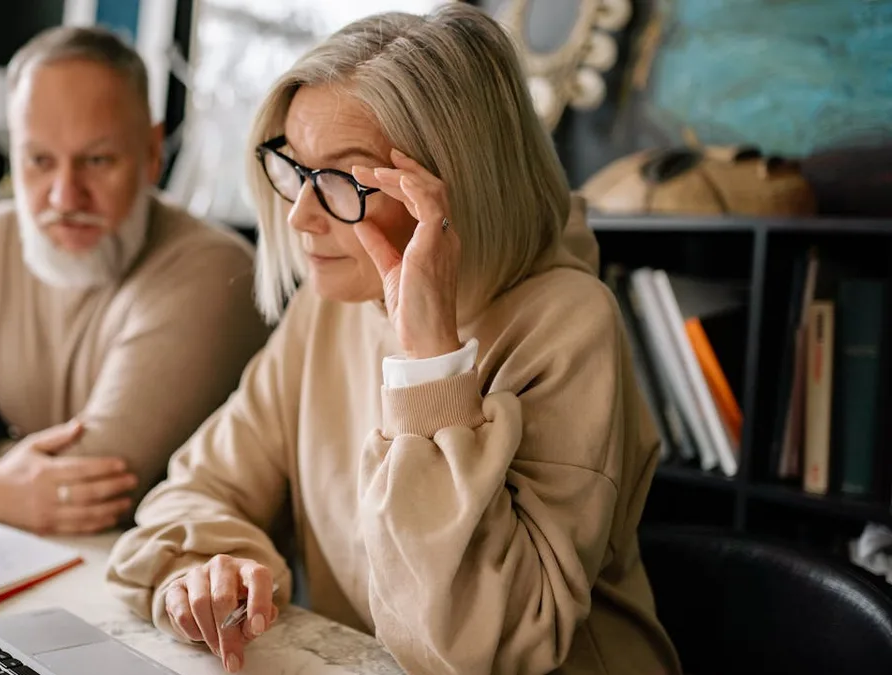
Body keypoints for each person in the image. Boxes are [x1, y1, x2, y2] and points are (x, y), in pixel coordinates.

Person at [104, 5, 683, 675]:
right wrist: (211, 567)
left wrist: (431, 361)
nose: (300, 214)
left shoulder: (570, 324)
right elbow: (194, 492)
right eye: (294, 167)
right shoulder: (330, 311)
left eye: (345, 179)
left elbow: (483, 646)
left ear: (457, 189)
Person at [0, 26, 270, 537]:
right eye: (39, 161)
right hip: (43, 565)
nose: (65, 197)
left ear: (152, 154)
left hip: (172, 587)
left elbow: (91, 495)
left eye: (97, 160)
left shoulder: (215, 270)